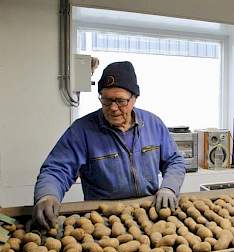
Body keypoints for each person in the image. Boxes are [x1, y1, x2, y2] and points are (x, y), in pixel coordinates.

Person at [33, 61, 186, 230]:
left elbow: (174, 161)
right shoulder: (82, 130)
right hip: (102, 221)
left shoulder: (153, 124)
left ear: (134, 98)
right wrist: (47, 195)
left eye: (120, 101)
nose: (113, 108)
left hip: (149, 213)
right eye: (106, 100)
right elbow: (56, 170)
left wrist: (169, 188)